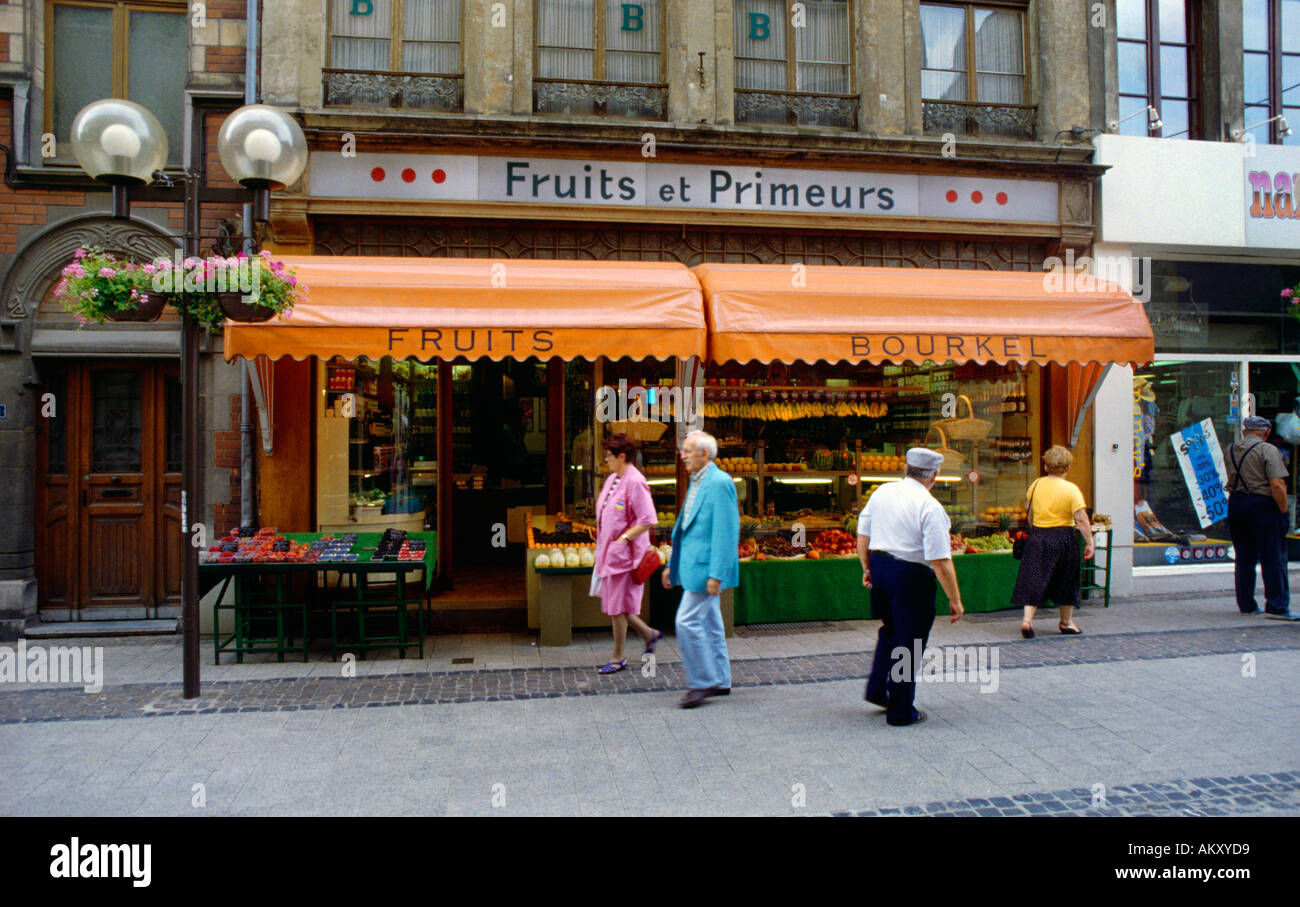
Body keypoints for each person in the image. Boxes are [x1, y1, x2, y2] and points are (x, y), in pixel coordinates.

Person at [859, 448, 965, 727]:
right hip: (911, 574)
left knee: (890, 631)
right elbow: (940, 561)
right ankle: (901, 709)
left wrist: (867, 567)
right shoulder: (930, 507)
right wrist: (955, 598)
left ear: (906, 468)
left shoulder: (882, 492)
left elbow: (863, 531)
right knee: (910, 642)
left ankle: (878, 689)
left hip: (881, 566)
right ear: (935, 474)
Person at [661, 430, 739, 708]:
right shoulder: (698, 481)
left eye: (687, 450)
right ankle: (720, 678)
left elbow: (726, 531)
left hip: (706, 570)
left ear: (704, 454)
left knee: (686, 621)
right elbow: (685, 528)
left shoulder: (719, 483)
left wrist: (717, 573)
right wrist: (672, 565)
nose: (681, 455)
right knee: (710, 624)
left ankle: (702, 681)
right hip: (695, 567)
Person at [593, 433, 663, 673]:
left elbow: (647, 519)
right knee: (617, 605)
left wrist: (623, 538)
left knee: (617, 607)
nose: (606, 460)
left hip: (626, 556)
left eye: (608, 456)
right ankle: (649, 634)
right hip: (611, 553)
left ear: (622, 456)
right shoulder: (613, 478)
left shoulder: (635, 481)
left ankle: (618, 656)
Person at [1012, 445, 1094, 638]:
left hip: (1039, 536)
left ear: (1046, 467)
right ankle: (1066, 622)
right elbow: (1081, 518)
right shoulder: (1071, 490)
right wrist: (1089, 542)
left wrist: (1034, 531)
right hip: (1063, 537)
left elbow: (1029, 513)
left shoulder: (1037, 484)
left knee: (1033, 577)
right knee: (1068, 579)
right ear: (1068, 468)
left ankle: (1027, 620)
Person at [1225, 416, 1293, 619]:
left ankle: (1246, 604)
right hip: (1262, 505)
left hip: (1236, 503)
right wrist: (1283, 511)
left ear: (1245, 431)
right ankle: (1277, 606)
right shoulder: (1268, 450)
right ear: (1267, 432)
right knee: (1273, 557)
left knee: (1244, 557)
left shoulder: (1230, 449)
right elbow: (1277, 485)